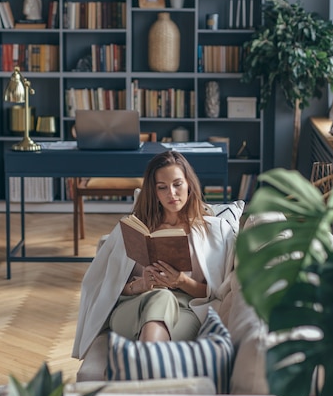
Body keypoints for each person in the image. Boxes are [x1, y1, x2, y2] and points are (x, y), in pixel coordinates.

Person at [72, 150, 236, 361]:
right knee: (161, 295)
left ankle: (139, 365)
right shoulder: (135, 227)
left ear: (189, 185)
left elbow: (218, 291)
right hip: (133, 309)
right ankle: (145, 368)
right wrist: (139, 285)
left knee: (164, 306)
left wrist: (182, 281)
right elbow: (103, 283)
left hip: (186, 310)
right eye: (162, 187)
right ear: (154, 192)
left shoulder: (214, 230)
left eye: (177, 184)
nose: (172, 193)